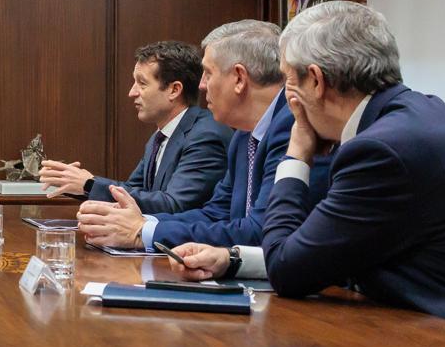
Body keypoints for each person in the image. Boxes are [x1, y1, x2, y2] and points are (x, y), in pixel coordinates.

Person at [170, 2, 445, 320]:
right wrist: (232, 258)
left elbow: (288, 270)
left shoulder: (380, 151)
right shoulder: (415, 115)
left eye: (287, 80)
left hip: (437, 336)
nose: (286, 99)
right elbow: (322, 252)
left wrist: (297, 151)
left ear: (315, 81)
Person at [78, 19, 325, 252]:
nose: (201, 85)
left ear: (239, 78)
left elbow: (259, 231)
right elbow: (215, 213)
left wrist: (143, 231)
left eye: (208, 73)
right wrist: (141, 222)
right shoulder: (243, 135)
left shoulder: (292, 127)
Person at [40, 41, 230, 213]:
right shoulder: (160, 136)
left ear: (174, 90)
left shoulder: (205, 135)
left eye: (142, 83)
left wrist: (90, 184)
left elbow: (175, 204)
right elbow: (133, 191)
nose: (132, 92)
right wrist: (76, 184)